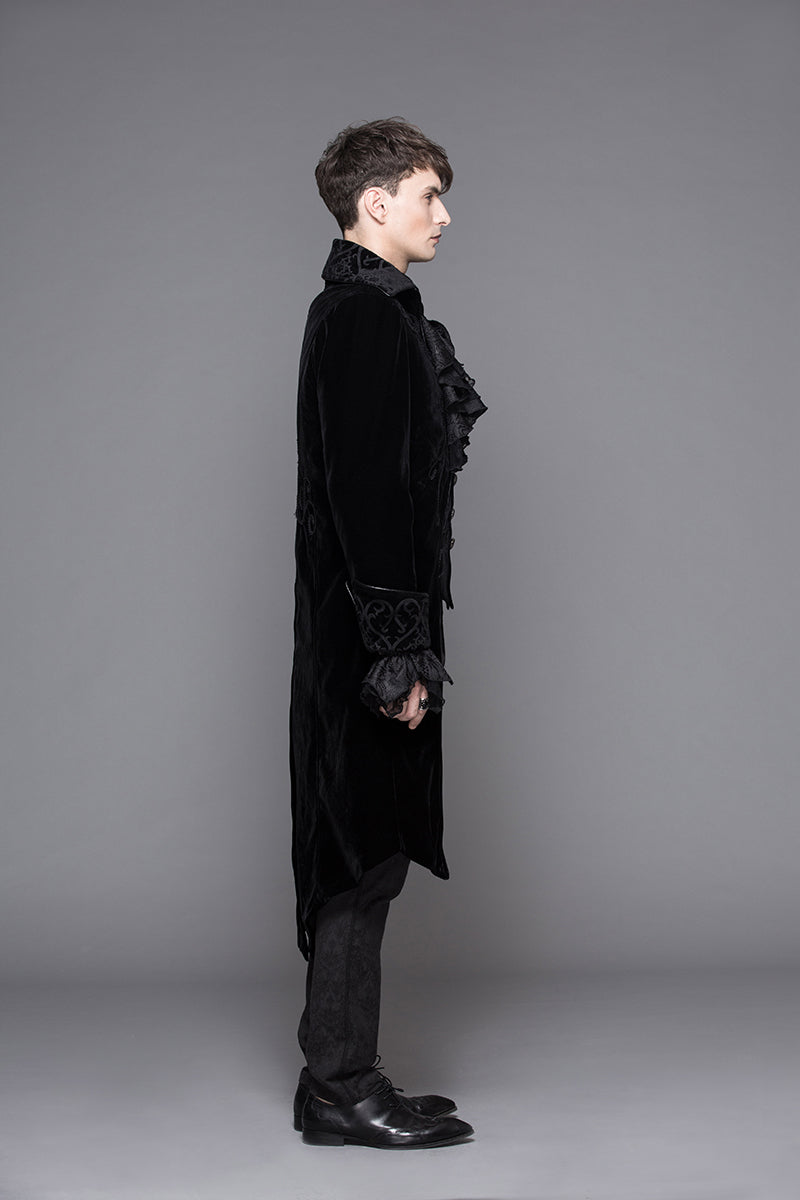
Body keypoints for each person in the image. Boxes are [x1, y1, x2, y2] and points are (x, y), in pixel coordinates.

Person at [289, 117, 486, 1149]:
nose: (442, 216)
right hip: (369, 633)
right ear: (376, 204)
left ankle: (341, 1075)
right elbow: (367, 493)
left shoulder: (371, 311)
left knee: (370, 849)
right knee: (361, 853)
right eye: (427, 196)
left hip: (368, 622)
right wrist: (397, 653)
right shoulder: (363, 318)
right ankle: (339, 1087)